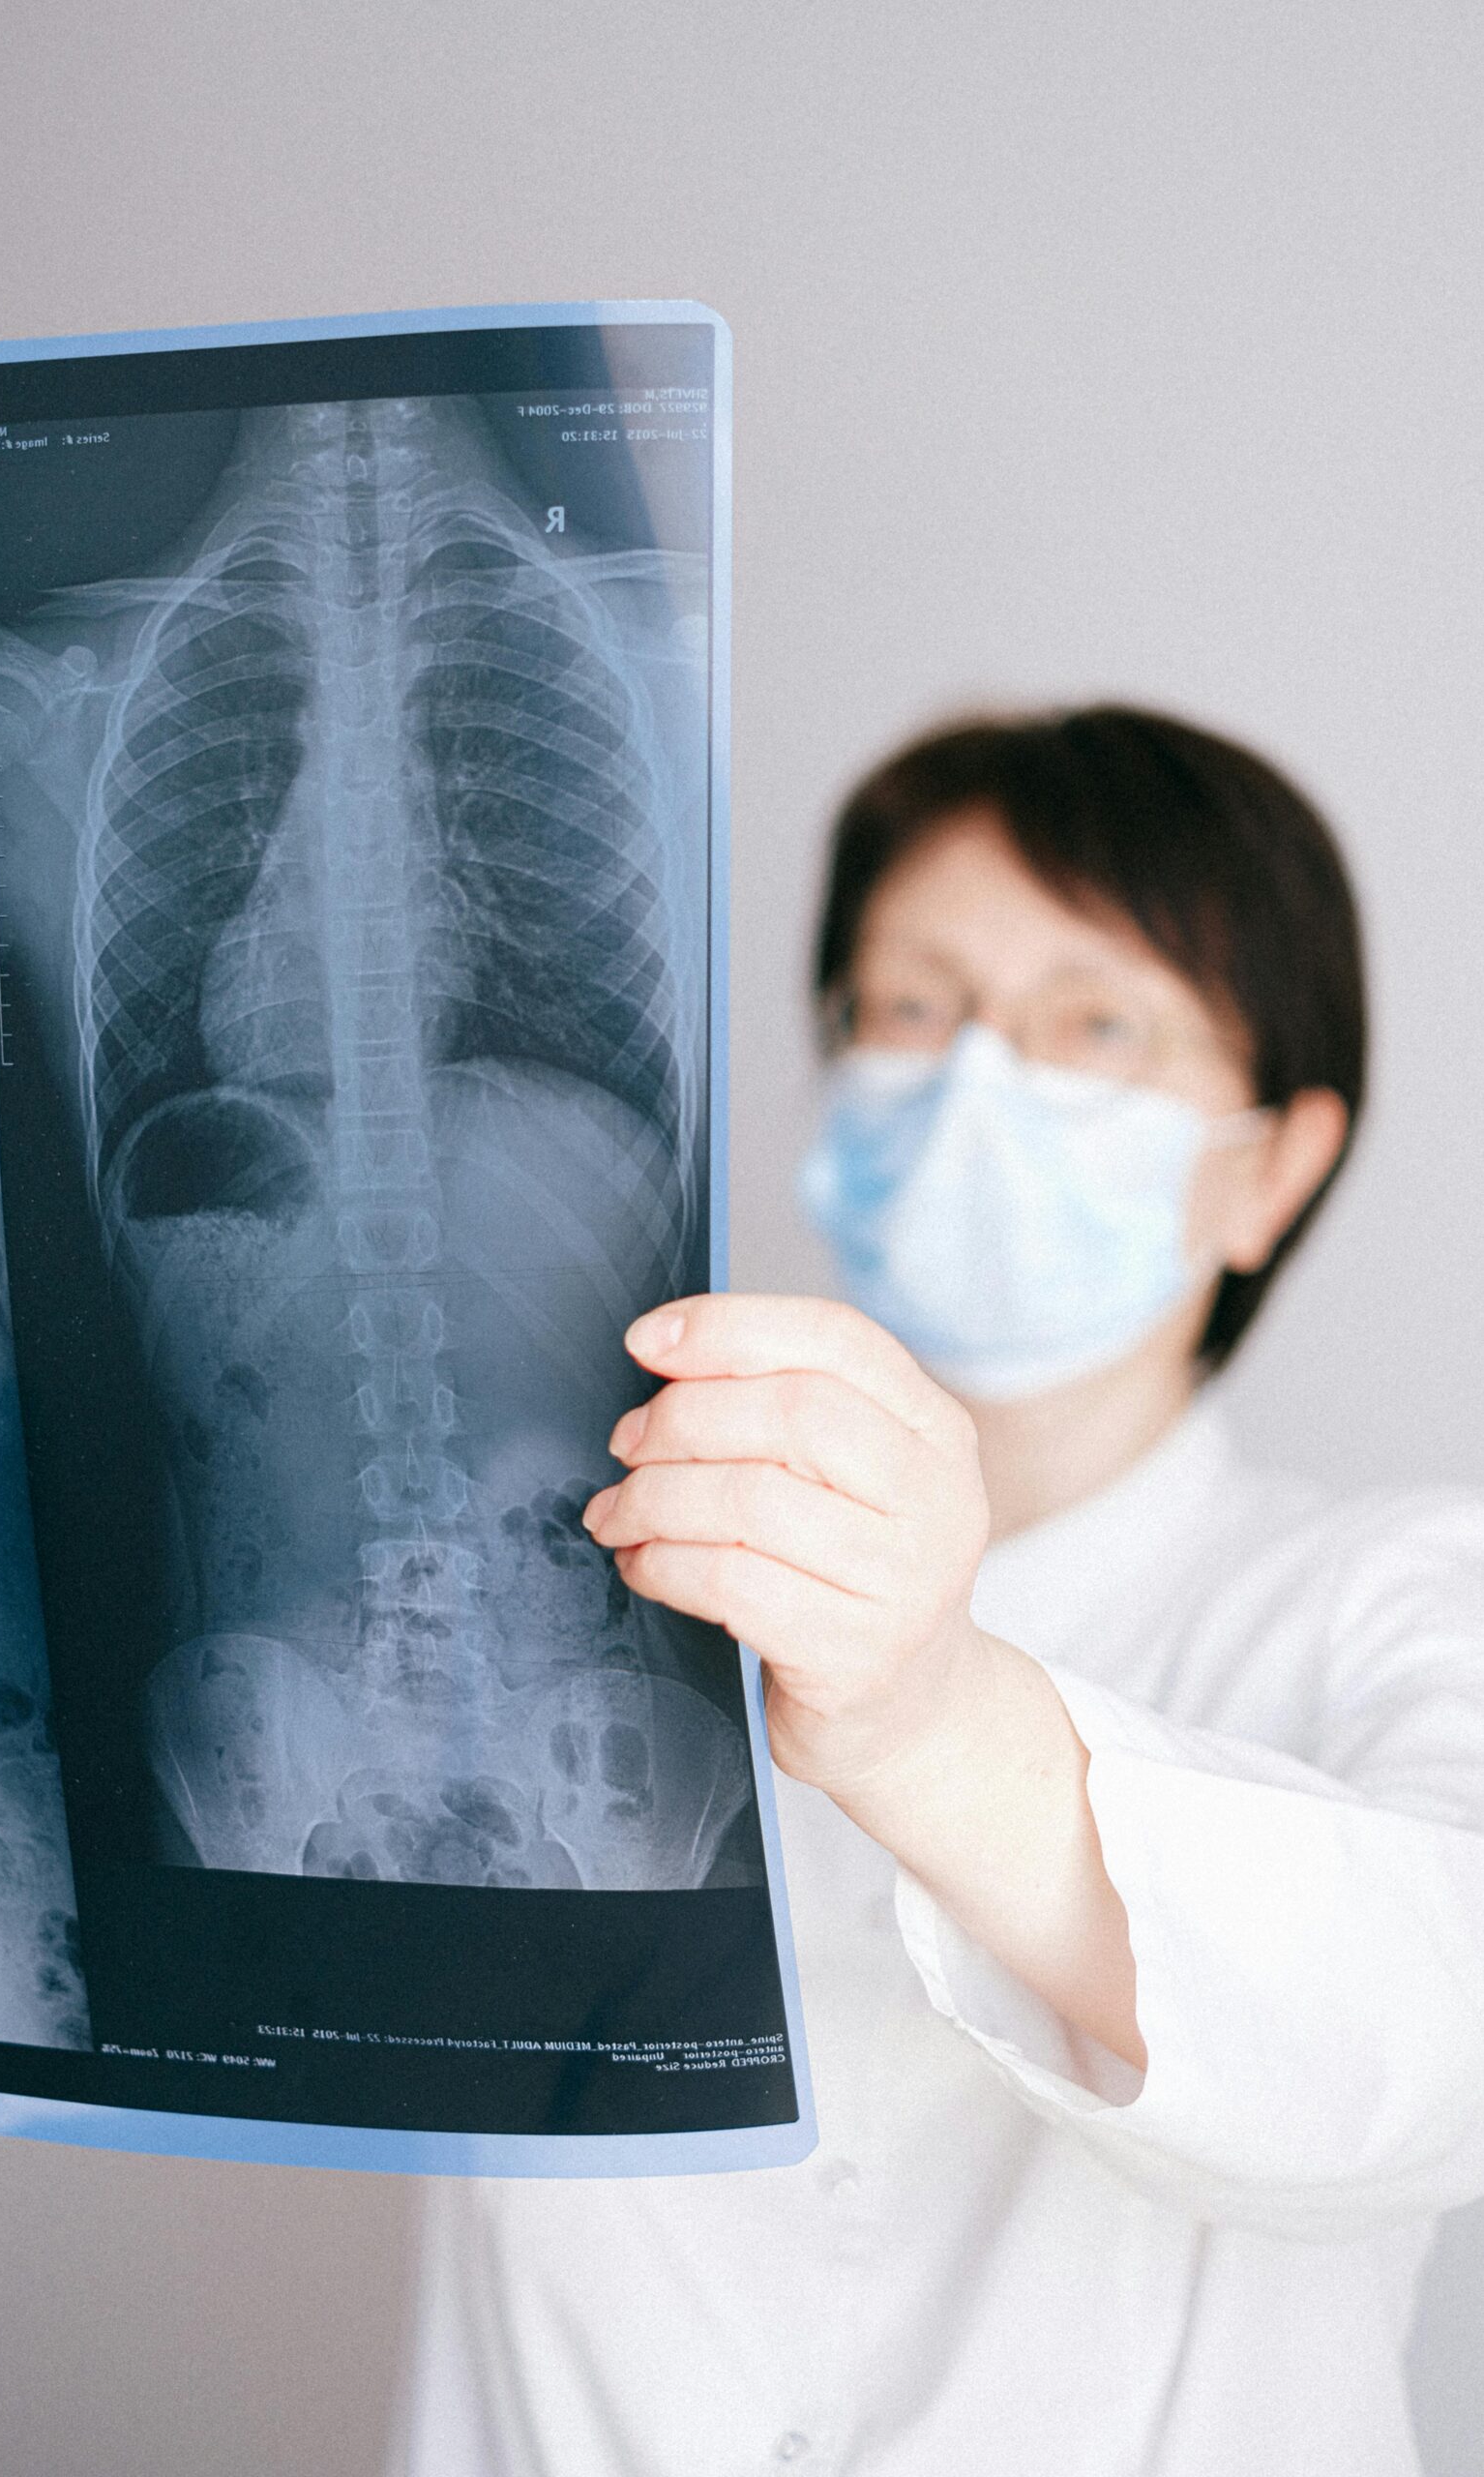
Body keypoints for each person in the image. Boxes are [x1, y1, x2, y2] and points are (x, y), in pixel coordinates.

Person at [394, 704, 1484, 2476]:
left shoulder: (1394, 1592)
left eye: (1094, 1025)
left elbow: (1436, 2048)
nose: (979, 1079)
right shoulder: (575, 1565)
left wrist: (932, 1722)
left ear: (1275, 1165)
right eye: (913, 1007)